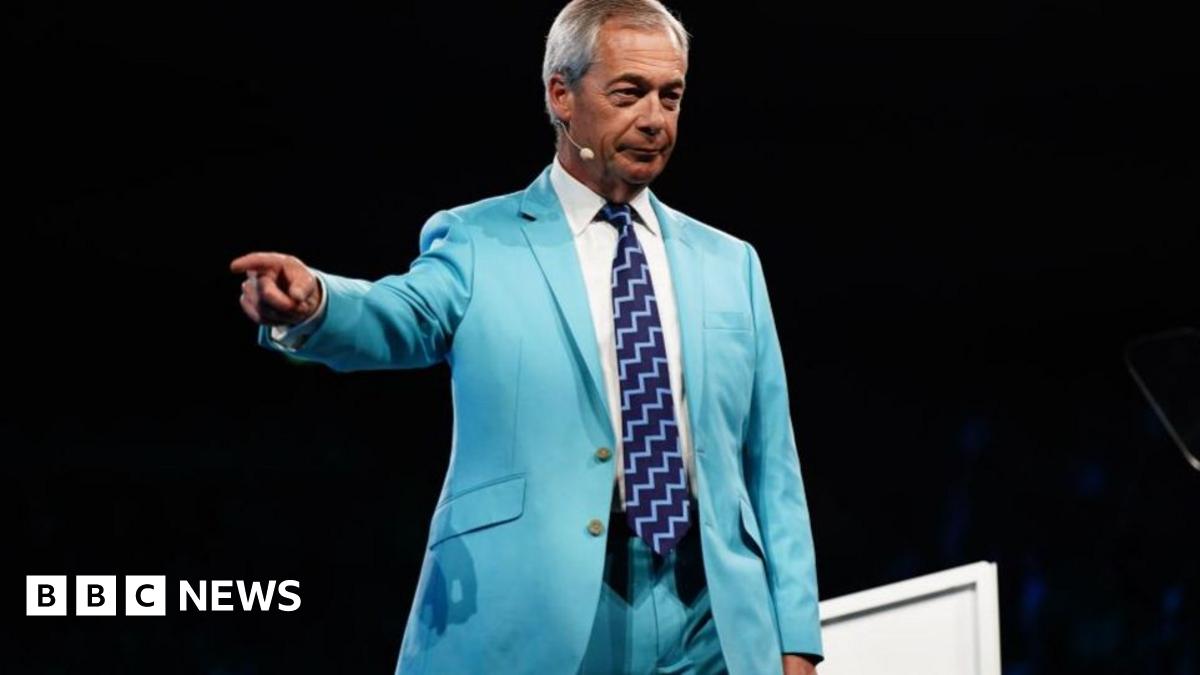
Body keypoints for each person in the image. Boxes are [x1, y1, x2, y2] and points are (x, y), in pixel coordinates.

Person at [230, 1, 823, 673]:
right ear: (561, 95)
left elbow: (773, 464)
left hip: (710, 616)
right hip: (543, 605)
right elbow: (399, 316)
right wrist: (314, 301)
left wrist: (796, 638)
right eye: (629, 93)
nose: (655, 119)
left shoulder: (731, 263)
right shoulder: (480, 239)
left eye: (671, 95)